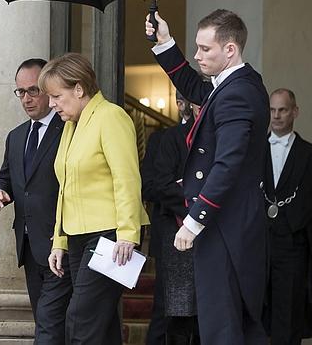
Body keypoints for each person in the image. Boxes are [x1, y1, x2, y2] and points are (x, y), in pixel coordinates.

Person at [145, 9, 270, 343]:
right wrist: (165, 43)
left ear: (230, 49)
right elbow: (197, 90)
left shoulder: (236, 94)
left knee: (222, 326)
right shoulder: (236, 84)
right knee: (232, 324)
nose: (197, 55)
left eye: (205, 49)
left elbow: (227, 164)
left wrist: (194, 220)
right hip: (231, 226)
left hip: (225, 228)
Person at [43, 52, 148, 344]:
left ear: (79, 89)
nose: (51, 104)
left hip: (111, 236)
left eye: (56, 96)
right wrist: (59, 240)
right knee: (102, 325)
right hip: (78, 235)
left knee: (81, 319)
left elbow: (126, 178)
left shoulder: (111, 116)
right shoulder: (70, 125)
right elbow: (64, 187)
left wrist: (128, 234)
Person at [0, 58, 72, 344]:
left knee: (49, 327)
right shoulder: (16, 136)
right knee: (46, 321)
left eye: (33, 90)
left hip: (61, 244)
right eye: (20, 92)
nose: (26, 98)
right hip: (27, 244)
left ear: (50, 88)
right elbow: (6, 178)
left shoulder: (69, 129)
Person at [262, 88, 312, 344]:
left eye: (282, 110)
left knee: (288, 319)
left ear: (295, 112)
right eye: (272, 110)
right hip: (257, 246)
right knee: (253, 316)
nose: (277, 115)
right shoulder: (253, 152)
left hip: (293, 249)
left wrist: (299, 230)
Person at [153, 93, 199, 344]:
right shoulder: (172, 138)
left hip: (214, 236)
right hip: (177, 235)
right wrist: (197, 203)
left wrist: (185, 186)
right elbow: (160, 185)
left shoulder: (224, 136)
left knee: (209, 314)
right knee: (177, 315)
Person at [141, 127, 168, 345]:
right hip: (169, 234)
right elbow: (146, 185)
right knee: (163, 307)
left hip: (210, 235)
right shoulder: (161, 138)